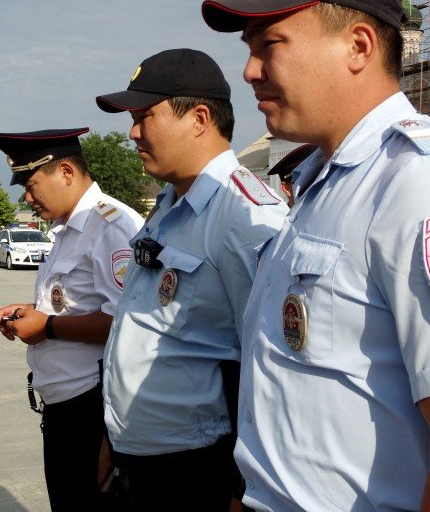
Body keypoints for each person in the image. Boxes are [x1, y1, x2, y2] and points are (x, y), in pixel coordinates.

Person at [202, 0, 430, 509]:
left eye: (270, 45)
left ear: (358, 46)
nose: (250, 71)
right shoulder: (326, 183)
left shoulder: (424, 183)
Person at [95, 48, 288, 511]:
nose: (133, 132)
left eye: (145, 116)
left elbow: (271, 364)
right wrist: (114, 436)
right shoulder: (169, 204)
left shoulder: (245, 216)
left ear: (199, 117)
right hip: (141, 456)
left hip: (198, 470)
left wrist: (247, 488)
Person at [0, 127, 143, 511]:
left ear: (66, 173)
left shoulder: (110, 225)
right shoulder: (68, 229)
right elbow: (74, 302)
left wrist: (48, 327)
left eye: (31, 184)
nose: (27, 196)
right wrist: (34, 312)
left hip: (94, 407)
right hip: (65, 405)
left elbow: (130, 321)